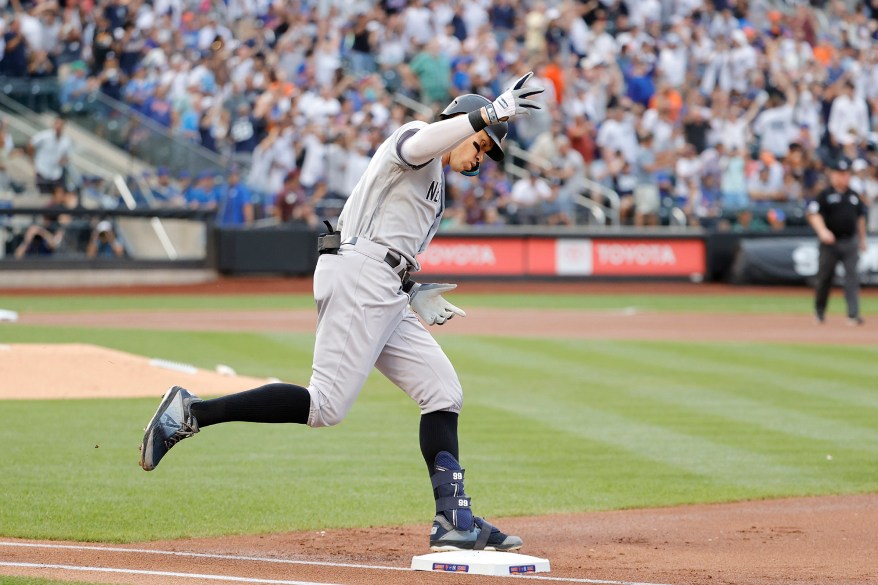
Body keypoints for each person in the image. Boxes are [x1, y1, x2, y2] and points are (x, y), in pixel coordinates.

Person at [139, 72, 544, 552]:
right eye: (481, 145)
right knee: (325, 405)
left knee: (442, 390)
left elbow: (392, 240)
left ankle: (453, 518)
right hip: (359, 277)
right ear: (461, 122)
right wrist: (489, 113)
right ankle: (192, 412)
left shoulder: (436, 181)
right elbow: (422, 145)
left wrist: (412, 292)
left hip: (384, 287)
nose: (481, 158)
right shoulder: (416, 137)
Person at [807, 157, 868, 325]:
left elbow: (861, 218)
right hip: (830, 243)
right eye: (840, 174)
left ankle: (853, 314)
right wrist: (822, 231)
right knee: (825, 278)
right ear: (833, 175)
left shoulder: (854, 196)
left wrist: (863, 239)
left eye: (846, 174)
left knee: (852, 278)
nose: (843, 177)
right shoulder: (825, 194)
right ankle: (819, 312)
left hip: (850, 241)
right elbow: (813, 214)